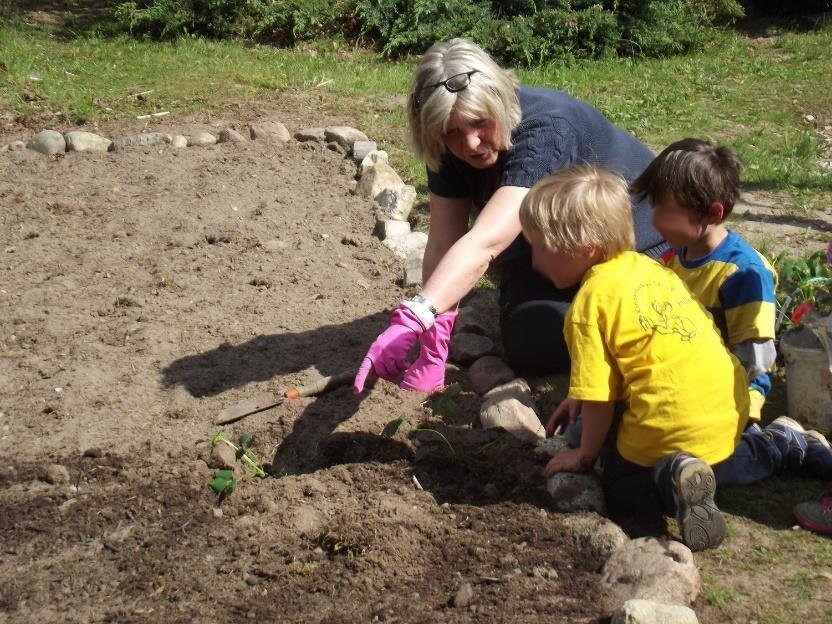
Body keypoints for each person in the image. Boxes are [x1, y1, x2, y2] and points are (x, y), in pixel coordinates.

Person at [520, 165, 832, 551]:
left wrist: (584, 456)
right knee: (714, 453)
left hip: (664, 428)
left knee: (621, 486)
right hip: (727, 411)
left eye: (538, 246)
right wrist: (579, 396)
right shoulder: (655, 268)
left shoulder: (587, 306)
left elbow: (602, 398)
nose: (533, 260)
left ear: (584, 249)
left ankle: (672, 478)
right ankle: (768, 447)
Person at [352, 37, 666, 395]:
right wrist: (433, 338)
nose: (469, 143)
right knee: (530, 343)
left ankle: (657, 325)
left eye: (479, 123)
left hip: (633, 242)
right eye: (452, 132)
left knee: (589, 323)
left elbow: (488, 240)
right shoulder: (448, 146)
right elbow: (443, 239)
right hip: (553, 246)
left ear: (498, 103)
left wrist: (416, 314)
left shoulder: (546, 130)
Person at [630, 138, 777, 422]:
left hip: (729, 398)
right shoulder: (674, 256)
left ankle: (780, 442)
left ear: (712, 213)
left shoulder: (742, 275)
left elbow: (755, 364)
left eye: (664, 210)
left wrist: (738, 413)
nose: (654, 221)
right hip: (688, 379)